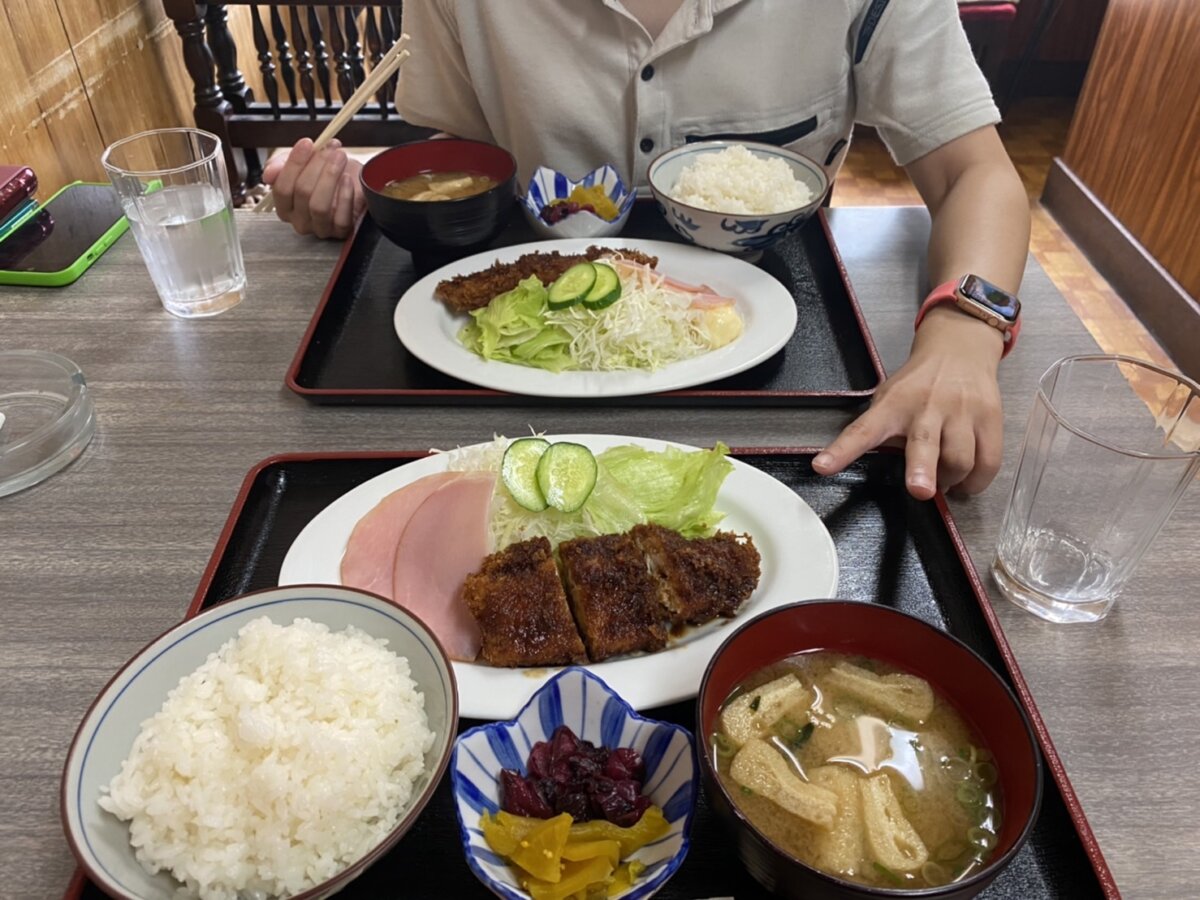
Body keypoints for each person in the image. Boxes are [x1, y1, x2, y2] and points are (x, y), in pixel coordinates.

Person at [264, 0, 1030, 500]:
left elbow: (974, 171)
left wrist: (965, 331)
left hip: (789, 416)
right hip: (505, 417)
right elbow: (457, 152)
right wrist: (368, 199)